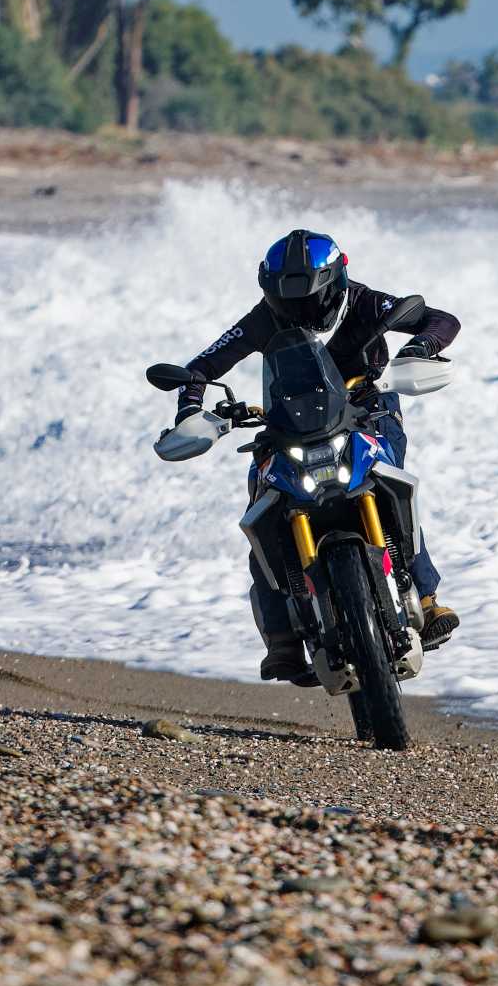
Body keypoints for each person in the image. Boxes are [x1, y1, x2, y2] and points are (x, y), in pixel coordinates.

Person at [172, 228, 462, 684]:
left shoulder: (365, 302)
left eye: (309, 298)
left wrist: (418, 349)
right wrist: (190, 406)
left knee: (390, 480)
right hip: (290, 423)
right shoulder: (265, 316)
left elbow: (441, 320)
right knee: (261, 505)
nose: (299, 308)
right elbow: (201, 367)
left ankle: (426, 596)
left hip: (368, 407)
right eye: (286, 299)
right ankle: (282, 638)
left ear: (333, 282)